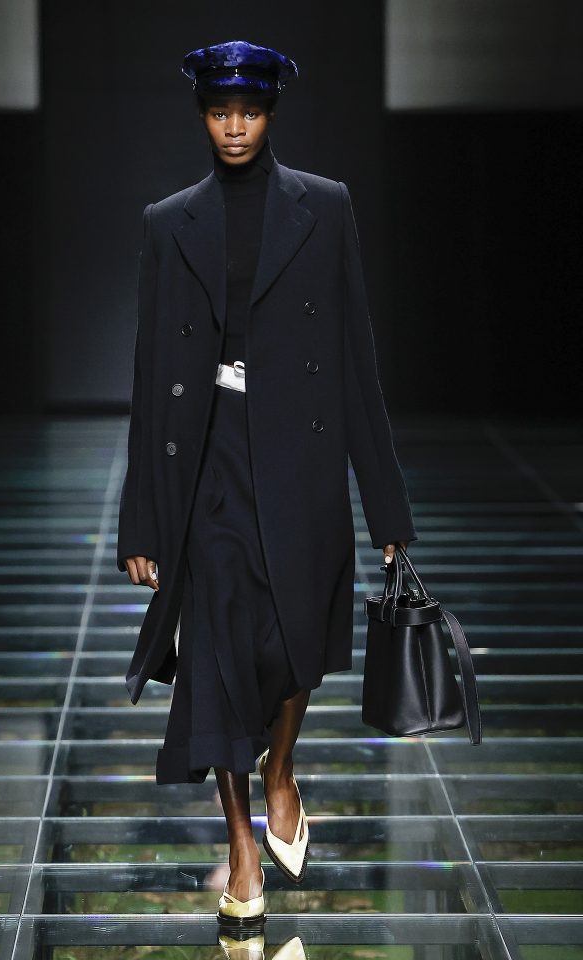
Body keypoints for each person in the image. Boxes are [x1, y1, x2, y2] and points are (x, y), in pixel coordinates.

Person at [117, 39, 417, 929]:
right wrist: (142, 521)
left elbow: (356, 359)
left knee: (291, 646)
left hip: (299, 459)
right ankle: (243, 844)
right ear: (202, 116)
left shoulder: (324, 207)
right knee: (216, 648)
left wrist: (387, 504)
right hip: (209, 461)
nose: (235, 126)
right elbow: (149, 376)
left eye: (248, 111)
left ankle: (281, 769)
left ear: (270, 113)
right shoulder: (168, 222)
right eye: (220, 112)